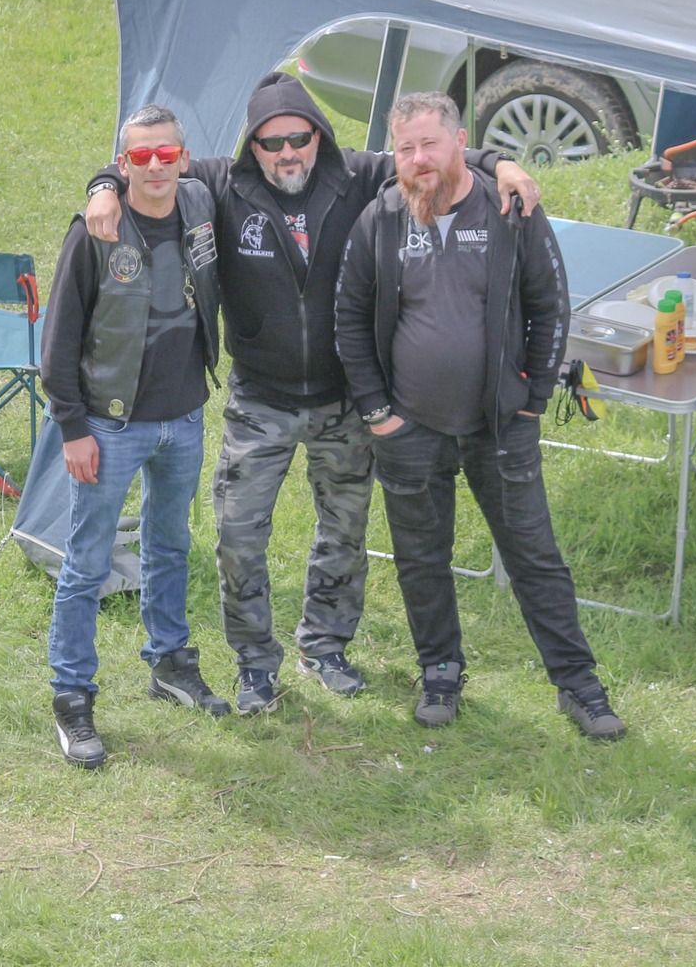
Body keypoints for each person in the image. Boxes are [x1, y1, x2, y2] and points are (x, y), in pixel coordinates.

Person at [81, 73, 541, 715]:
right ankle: (254, 663)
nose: (287, 153)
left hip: (344, 399)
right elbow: (147, 160)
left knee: (344, 533)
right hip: (259, 399)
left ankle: (325, 646)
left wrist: (504, 162)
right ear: (253, 147)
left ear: (318, 136)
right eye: (271, 144)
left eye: (299, 138)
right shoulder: (221, 184)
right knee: (239, 537)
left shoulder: (357, 176)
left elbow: (432, 153)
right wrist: (103, 187)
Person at [334, 91, 626, 740]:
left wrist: (534, 400)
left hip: (501, 426)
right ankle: (440, 671)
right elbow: (349, 318)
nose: (418, 159)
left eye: (430, 144)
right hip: (408, 428)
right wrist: (378, 413)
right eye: (405, 148)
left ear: (460, 143)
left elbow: (551, 304)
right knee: (421, 557)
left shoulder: (508, 210)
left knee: (534, 555)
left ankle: (579, 684)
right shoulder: (381, 218)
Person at [40, 103, 228, 769]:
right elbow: (58, 338)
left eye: (165, 154)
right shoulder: (96, 230)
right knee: (87, 562)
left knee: (170, 545)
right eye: (140, 157)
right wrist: (73, 427)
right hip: (109, 424)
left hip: (184, 416)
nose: (155, 167)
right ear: (123, 164)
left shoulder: (201, 200)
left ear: (183, 157)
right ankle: (72, 697)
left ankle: (170, 663)